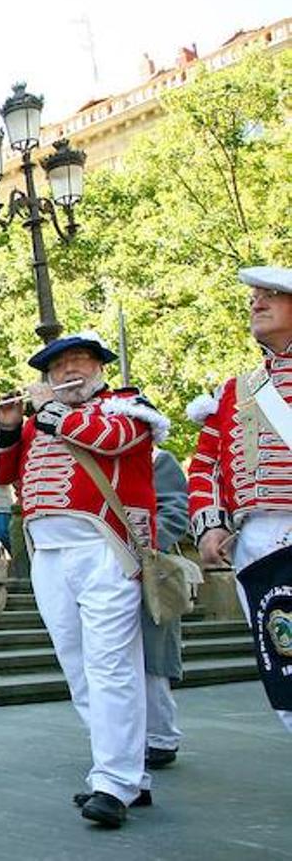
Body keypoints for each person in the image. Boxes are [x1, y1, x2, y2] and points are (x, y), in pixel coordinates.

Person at [0, 331, 165, 829]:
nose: (69, 372)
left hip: (104, 548)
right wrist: (8, 427)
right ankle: (126, 775)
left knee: (112, 664)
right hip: (48, 552)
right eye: (59, 366)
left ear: (100, 369)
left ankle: (114, 781)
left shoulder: (127, 406)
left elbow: (109, 442)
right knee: (78, 666)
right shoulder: (36, 422)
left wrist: (47, 412)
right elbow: (4, 473)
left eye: (80, 362)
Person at [186, 266, 292, 733]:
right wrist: (210, 524)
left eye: (272, 295)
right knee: (282, 663)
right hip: (257, 543)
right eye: (254, 296)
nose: (257, 303)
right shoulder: (237, 389)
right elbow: (206, 463)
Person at [144, 448, 189, 770]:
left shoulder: (157, 459)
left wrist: (144, 545)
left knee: (152, 659)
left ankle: (161, 736)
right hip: (102, 567)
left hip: (149, 568)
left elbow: (175, 509)